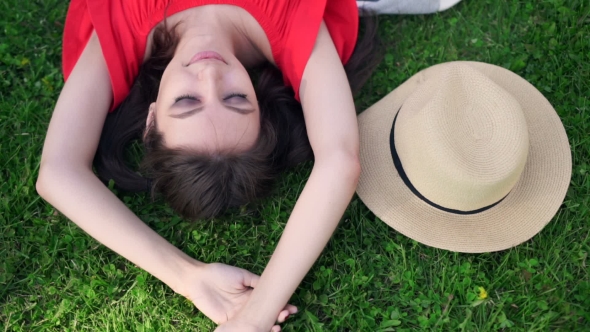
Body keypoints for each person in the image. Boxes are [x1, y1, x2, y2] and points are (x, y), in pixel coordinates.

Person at [36, 0, 381, 331]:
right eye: (236, 98)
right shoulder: (292, 26)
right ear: (260, 105)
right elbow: (339, 161)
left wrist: (186, 275)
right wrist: (253, 319)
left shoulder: (122, 29)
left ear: (151, 118)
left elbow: (58, 171)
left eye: (187, 101)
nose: (209, 74)